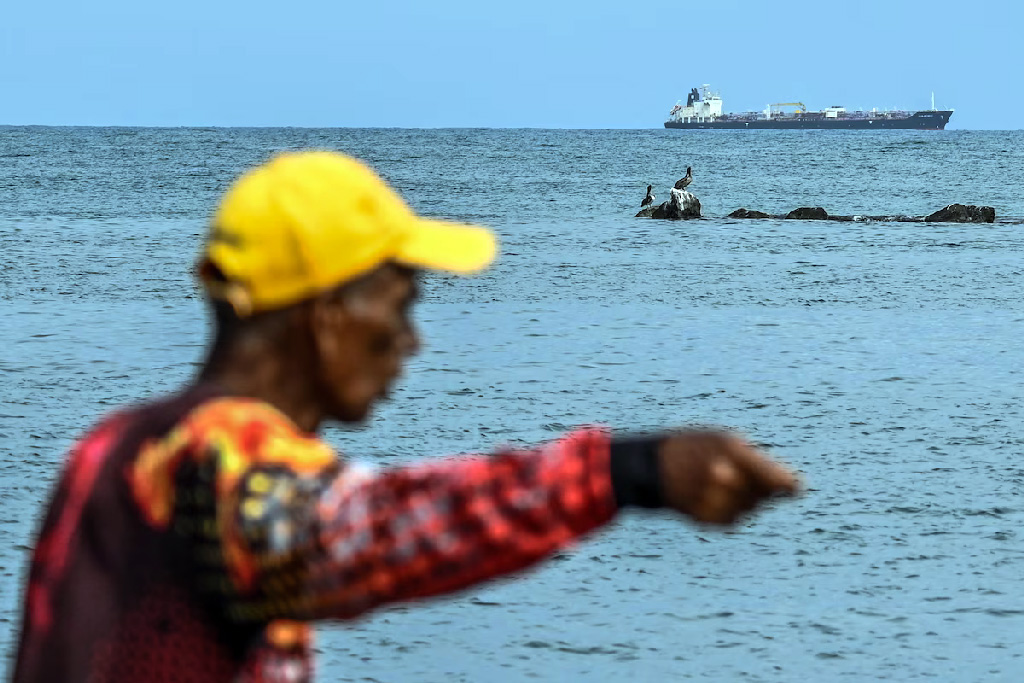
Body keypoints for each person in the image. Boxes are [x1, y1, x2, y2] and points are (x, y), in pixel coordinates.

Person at [12, 151, 799, 682]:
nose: (413, 340)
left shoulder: (112, 445)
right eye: (399, 304)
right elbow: (373, 531)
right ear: (324, 314)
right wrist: (629, 470)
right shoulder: (218, 462)